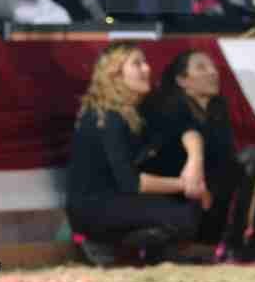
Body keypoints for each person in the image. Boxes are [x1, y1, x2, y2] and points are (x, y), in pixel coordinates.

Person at [66, 44, 204, 267]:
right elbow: (131, 182)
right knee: (183, 216)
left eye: (145, 62)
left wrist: (195, 162)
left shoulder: (140, 105)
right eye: (137, 64)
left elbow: (184, 128)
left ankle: (152, 251)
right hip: (94, 207)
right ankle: (104, 244)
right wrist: (185, 184)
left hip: (120, 199)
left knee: (188, 208)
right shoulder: (108, 116)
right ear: (115, 74)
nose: (147, 69)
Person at [140, 49, 246, 258]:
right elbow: (185, 139)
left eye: (213, 67)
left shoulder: (217, 108)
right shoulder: (169, 107)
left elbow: (225, 155)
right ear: (182, 80)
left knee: (247, 165)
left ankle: (230, 244)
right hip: (174, 190)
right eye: (201, 67)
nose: (213, 72)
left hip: (206, 191)